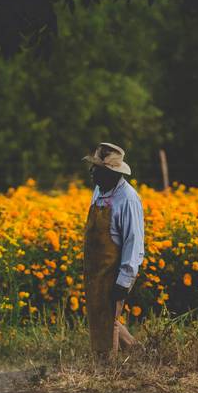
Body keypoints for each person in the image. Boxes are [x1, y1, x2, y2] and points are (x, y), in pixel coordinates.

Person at [82, 142, 144, 356]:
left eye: (96, 169)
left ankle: (107, 370)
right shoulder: (99, 190)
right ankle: (140, 354)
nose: (92, 172)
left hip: (115, 271)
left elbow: (134, 243)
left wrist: (124, 281)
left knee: (108, 322)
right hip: (95, 269)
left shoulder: (128, 199)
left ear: (111, 172)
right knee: (101, 317)